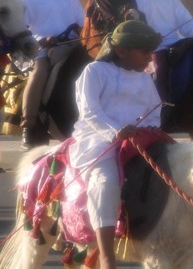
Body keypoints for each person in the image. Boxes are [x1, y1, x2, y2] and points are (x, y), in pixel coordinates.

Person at [68, 20, 162, 269]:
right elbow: (89, 111)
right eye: (144, 52)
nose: (149, 57)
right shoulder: (95, 71)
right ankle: (107, 254)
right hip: (98, 141)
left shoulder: (145, 78)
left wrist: (146, 130)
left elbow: (155, 112)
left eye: (150, 52)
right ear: (121, 50)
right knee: (105, 180)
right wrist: (115, 132)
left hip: (138, 141)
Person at [19, 0, 85, 149]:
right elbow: (22, 31)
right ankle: (29, 124)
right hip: (40, 48)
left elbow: (82, 25)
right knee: (39, 72)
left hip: (71, 45)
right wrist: (43, 39)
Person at [131, 0, 193, 108]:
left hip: (176, 47)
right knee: (159, 68)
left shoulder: (171, 1)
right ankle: (165, 107)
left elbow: (189, 26)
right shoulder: (131, 2)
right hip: (149, 50)